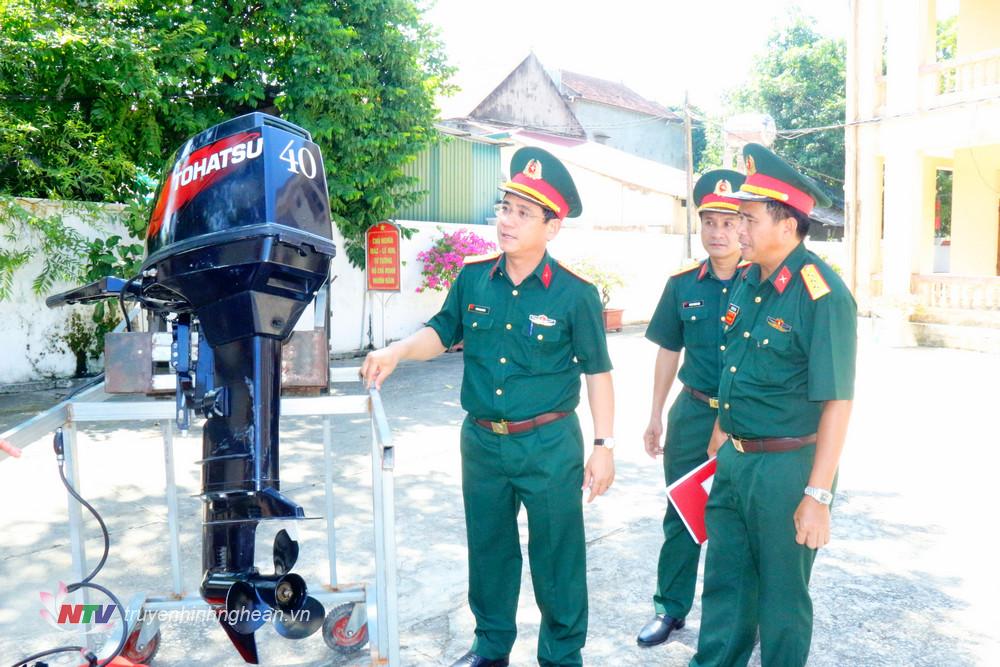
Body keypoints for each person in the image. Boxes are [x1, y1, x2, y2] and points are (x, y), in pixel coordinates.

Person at [361, 147, 615, 667]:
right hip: (481, 440)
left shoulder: (575, 294)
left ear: (553, 226)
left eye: (523, 213)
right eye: (504, 207)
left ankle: (563, 656)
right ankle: (492, 647)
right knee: (490, 551)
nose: (507, 220)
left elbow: (598, 372)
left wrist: (604, 446)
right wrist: (397, 351)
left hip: (548, 444)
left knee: (557, 558)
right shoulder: (475, 277)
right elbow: (441, 332)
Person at [690, 143, 857, 667]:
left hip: (788, 468)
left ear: (788, 225)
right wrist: (721, 429)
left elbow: (837, 402)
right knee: (725, 587)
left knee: (782, 601)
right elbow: (735, 368)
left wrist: (818, 494)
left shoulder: (822, 294)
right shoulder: (746, 280)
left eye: (748, 219)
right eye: (738, 218)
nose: (737, 229)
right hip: (737, 460)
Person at [636, 170, 746, 648]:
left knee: (738, 521)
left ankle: (739, 617)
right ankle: (670, 609)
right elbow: (668, 351)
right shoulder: (682, 285)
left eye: (727, 222)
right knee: (682, 512)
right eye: (709, 222)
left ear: (744, 225)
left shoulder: (764, 284)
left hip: (746, 420)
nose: (717, 233)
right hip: (693, 412)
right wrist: (656, 414)